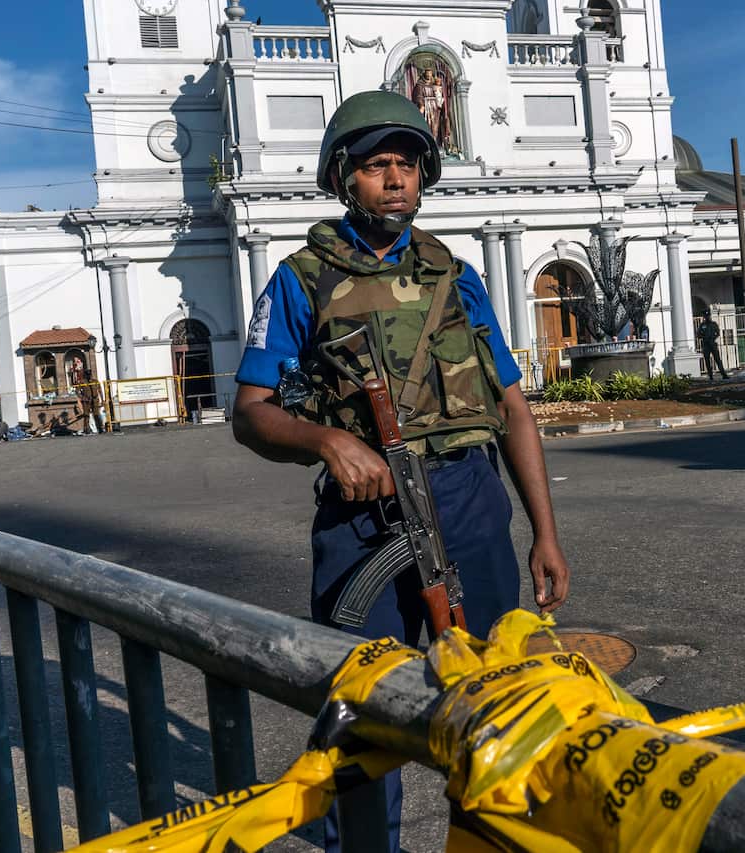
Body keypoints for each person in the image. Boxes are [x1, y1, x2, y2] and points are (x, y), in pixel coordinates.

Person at [231, 90, 570, 853]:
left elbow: (512, 407)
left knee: (494, 704)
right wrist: (325, 441)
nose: (395, 180)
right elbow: (250, 410)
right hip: (367, 517)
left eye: (408, 165)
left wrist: (545, 534)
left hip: (470, 500)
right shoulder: (301, 278)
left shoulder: (458, 276)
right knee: (365, 711)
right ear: (343, 179)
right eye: (377, 166)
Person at [697, 309, 729, 379]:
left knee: (717, 359)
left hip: (712, 343)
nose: (707, 317)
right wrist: (704, 336)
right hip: (706, 344)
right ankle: (710, 375)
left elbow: (717, 333)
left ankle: (723, 374)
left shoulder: (714, 324)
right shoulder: (702, 325)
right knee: (707, 361)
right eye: (706, 316)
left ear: (710, 316)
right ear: (704, 317)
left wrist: (712, 337)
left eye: (708, 316)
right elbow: (698, 335)